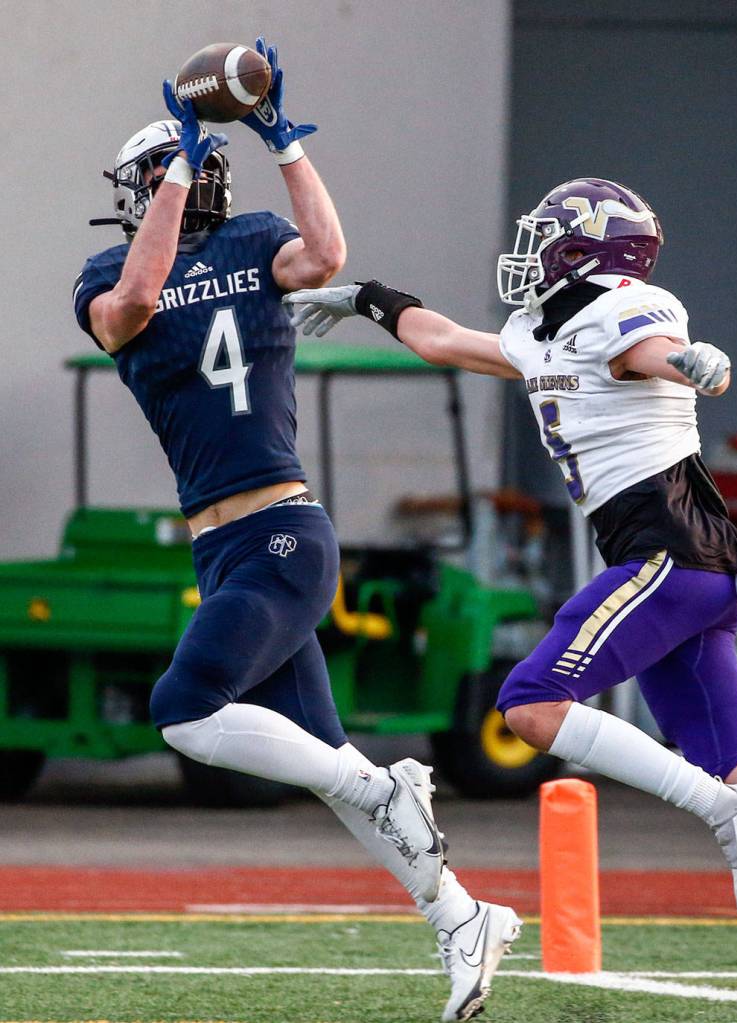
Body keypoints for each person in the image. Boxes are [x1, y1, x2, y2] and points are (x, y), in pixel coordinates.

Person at [283, 177, 737, 1023]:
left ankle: (724, 813)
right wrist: (366, 297)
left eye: (548, 233)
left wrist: (696, 363)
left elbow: (653, 351)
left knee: (530, 703)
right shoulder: (546, 331)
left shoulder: (621, 309)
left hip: (668, 556)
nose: (532, 247)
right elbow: (442, 340)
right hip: (694, 571)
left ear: (588, 249)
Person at [72, 38, 520, 1023]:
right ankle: (461, 918)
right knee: (331, 768)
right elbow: (135, 303)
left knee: (185, 709)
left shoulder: (254, 239)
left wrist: (281, 138)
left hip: (283, 530)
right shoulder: (111, 271)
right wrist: (181, 168)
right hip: (221, 542)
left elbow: (326, 258)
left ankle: (393, 789)